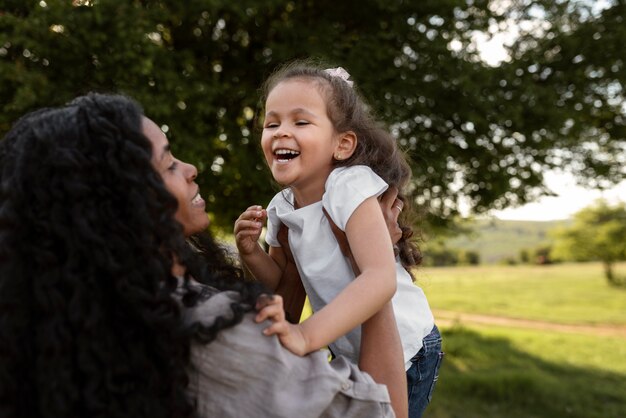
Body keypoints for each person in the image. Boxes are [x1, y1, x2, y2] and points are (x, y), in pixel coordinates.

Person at [0, 93, 397, 417]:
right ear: (120, 206)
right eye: (168, 164)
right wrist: (371, 263)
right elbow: (384, 411)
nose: (190, 168)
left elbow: (286, 298)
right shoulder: (211, 331)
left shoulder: (80, 321)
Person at [234, 60, 443, 418]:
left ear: (342, 144)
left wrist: (305, 336)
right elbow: (284, 283)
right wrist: (251, 254)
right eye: (272, 123)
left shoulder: (351, 186)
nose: (281, 132)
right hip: (348, 346)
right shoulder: (281, 207)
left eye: (301, 122)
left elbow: (379, 279)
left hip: (407, 345)